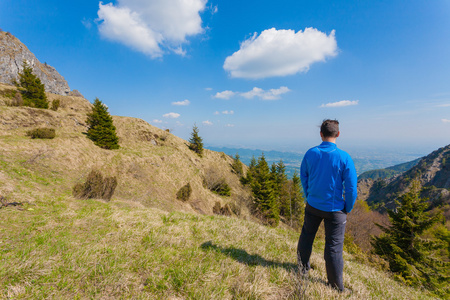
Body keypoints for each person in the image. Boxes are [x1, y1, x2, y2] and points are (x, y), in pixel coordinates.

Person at [297, 119, 357, 292]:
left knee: (306, 237)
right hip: (336, 210)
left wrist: (309, 196)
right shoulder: (344, 157)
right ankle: (336, 286)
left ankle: (303, 269)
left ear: (321, 134)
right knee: (334, 248)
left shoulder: (310, 153)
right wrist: (348, 207)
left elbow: (304, 177)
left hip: (313, 205)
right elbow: (352, 188)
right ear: (338, 134)